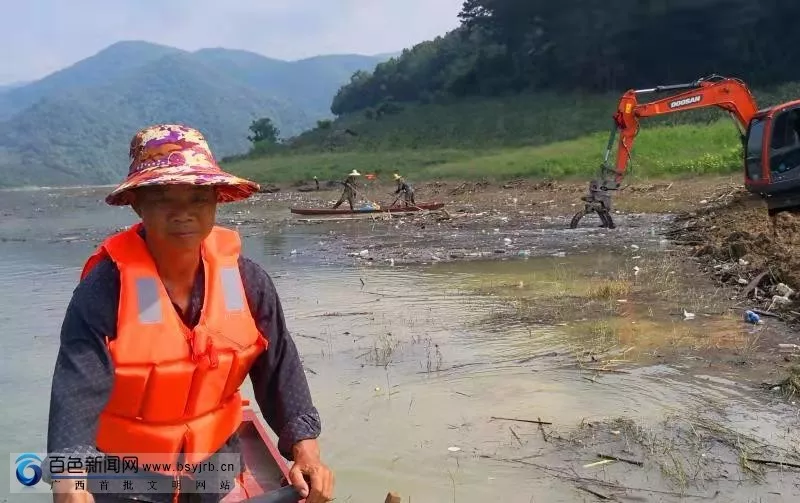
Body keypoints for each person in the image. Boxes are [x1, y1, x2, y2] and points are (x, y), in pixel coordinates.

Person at [45, 124, 334, 503]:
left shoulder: (248, 281)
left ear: (217, 200)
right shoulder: (105, 289)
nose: (183, 213)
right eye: (163, 197)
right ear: (137, 203)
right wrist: (69, 477)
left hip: (215, 464)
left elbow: (280, 367)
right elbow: (76, 385)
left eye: (198, 197)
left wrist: (305, 448)